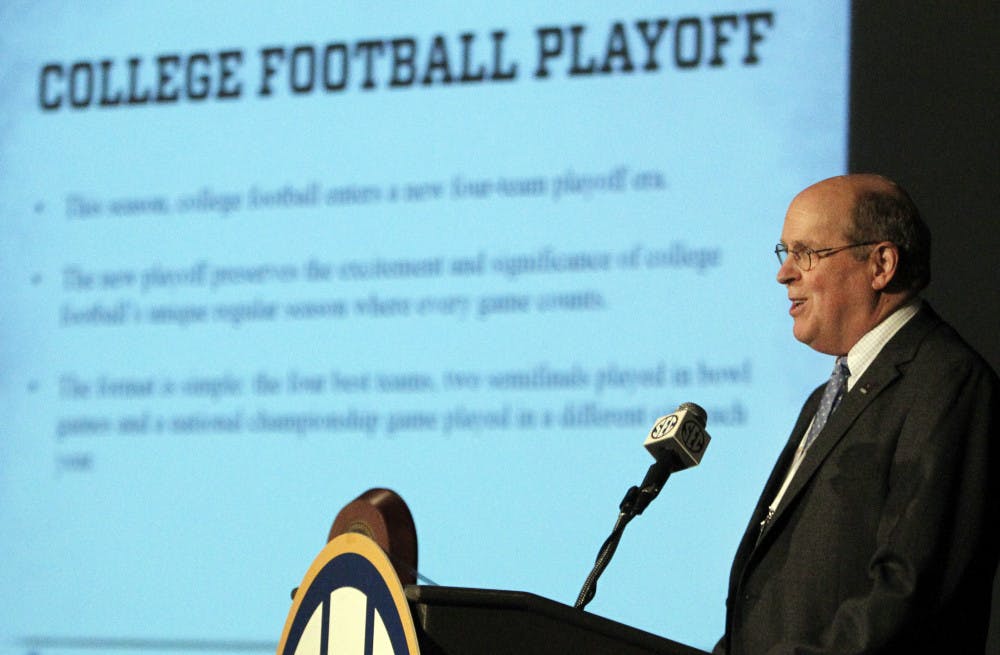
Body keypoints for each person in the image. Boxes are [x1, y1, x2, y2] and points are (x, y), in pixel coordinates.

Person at [715, 174, 999, 654]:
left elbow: (907, 591)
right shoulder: (825, 397)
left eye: (806, 253)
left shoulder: (946, 382)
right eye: (785, 253)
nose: (784, 275)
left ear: (881, 264)